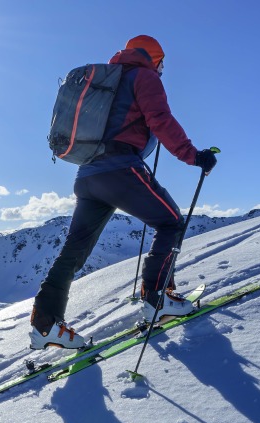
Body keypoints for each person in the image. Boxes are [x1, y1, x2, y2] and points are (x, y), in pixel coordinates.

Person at [30, 35, 218, 350]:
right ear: (155, 58)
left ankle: (45, 324)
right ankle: (157, 299)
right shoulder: (144, 76)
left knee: (73, 252)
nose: (162, 70)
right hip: (119, 170)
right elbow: (160, 119)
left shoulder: (109, 81)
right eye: (162, 64)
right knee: (171, 222)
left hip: (87, 176)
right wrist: (194, 155)